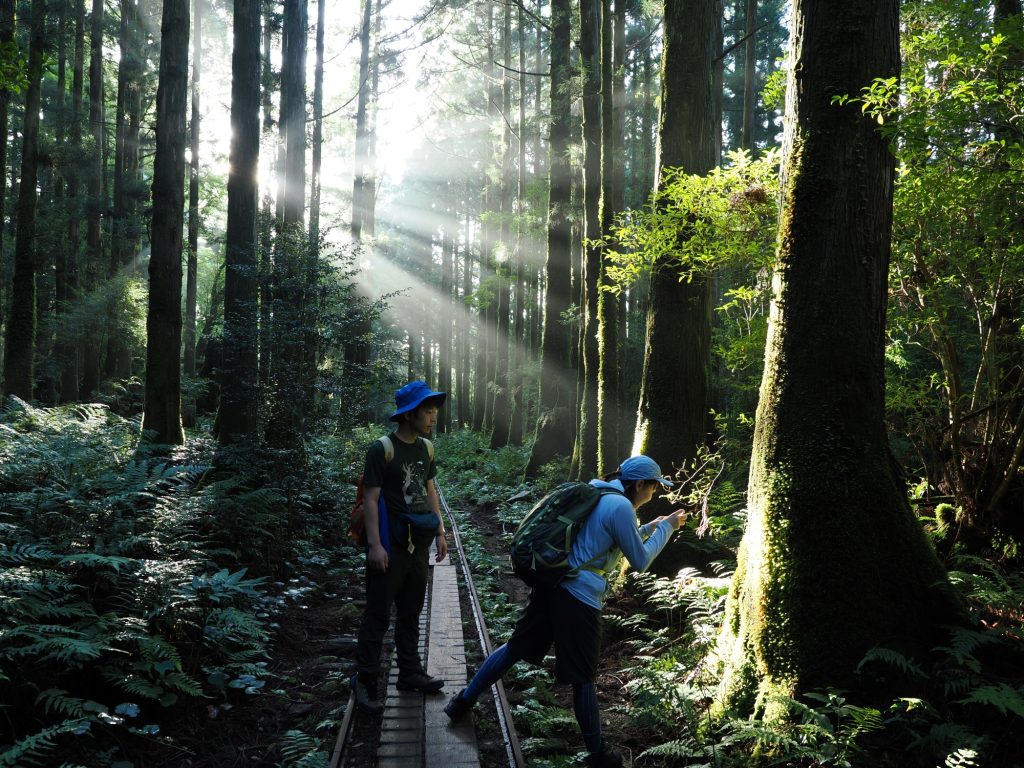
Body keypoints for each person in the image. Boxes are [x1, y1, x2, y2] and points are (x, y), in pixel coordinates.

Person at [444, 455, 687, 768]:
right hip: (579, 598)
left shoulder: (598, 492)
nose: (654, 494)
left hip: (554, 583)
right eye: (653, 488)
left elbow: (609, 540)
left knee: (516, 647)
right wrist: (666, 529)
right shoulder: (622, 507)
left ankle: (463, 701)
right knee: (583, 675)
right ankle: (597, 756)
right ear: (639, 484)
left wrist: (652, 526)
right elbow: (639, 561)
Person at [351, 381, 450, 714]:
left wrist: (440, 530)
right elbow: (370, 499)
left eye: (434, 410)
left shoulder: (427, 448)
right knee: (378, 614)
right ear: (409, 414)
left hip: (418, 545)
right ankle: (365, 681)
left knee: (410, 613)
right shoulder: (382, 449)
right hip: (390, 545)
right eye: (427, 410)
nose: (433, 416)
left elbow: (430, 490)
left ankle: (409, 672)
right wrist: (375, 546)